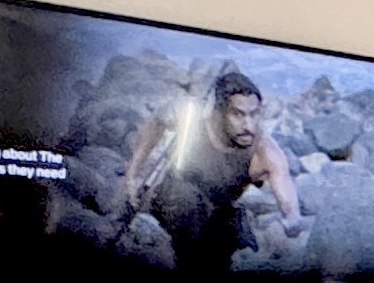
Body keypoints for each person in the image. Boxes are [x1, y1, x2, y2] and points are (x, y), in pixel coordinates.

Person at [121, 67, 300, 270]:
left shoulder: (263, 148)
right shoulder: (192, 117)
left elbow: (284, 187)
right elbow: (156, 123)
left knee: (245, 250)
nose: (248, 125)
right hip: (174, 201)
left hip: (218, 213)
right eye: (238, 114)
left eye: (253, 114)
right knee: (184, 199)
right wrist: (132, 175)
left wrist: (291, 217)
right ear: (219, 112)